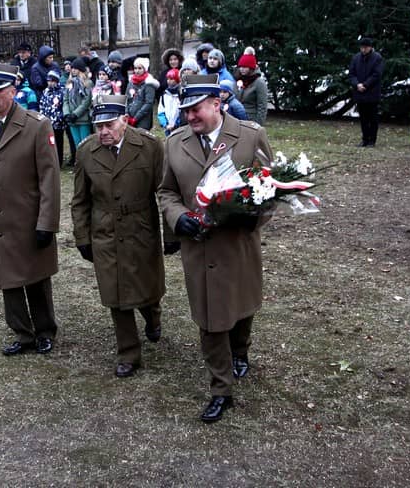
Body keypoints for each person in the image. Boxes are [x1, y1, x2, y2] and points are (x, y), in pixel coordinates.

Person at [157, 73, 273, 423]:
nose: (189, 116)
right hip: (200, 248)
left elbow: (268, 189)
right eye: (185, 110)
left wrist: (250, 215)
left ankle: (241, 350)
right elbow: (166, 192)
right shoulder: (175, 143)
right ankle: (221, 389)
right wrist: (178, 218)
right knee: (209, 319)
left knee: (241, 306)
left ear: (217, 104)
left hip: (238, 244)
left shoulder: (250, 136)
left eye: (196, 109)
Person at [70, 94, 168, 378]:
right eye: (98, 126)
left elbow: (166, 191)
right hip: (105, 231)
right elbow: (80, 200)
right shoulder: (86, 151)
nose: (103, 132)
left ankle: (152, 314)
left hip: (141, 228)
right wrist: (82, 237)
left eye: (109, 125)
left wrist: (172, 233)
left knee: (147, 286)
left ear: (125, 120)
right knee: (114, 292)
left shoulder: (150, 146)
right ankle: (128, 352)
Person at [0, 63, 61, 356]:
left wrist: (47, 223)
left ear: (13, 91)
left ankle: (44, 330)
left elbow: (49, 178)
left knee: (35, 275)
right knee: (6, 277)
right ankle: (22, 333)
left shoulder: (36, 125)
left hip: (28, 216)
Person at [348, 37, 385, 147]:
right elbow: (351, 74)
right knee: (363, 118)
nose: (363, 49)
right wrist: (357, 84)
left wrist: (365, 84)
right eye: (362, 47)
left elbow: (376, 74)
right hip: (359, 93)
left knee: (372, 118)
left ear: (370, 47)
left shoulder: (377, 58)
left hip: (372, 92)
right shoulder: (356, 58)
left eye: (365, 47)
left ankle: (372, 140)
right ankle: (365, 139)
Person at [63, 57, 93, 153]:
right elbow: (65, 99)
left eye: (75, 68)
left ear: (81, 70)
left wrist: (75, 114)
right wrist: (67, 113)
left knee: (85, 145)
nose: (73, 70)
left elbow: (87, 101)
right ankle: (79, 161)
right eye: (72, 68)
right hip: (72, 120)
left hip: (83, 119)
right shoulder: (69, 83)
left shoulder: (87, 83)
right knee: (77, 146)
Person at [39, 70, 66, 163]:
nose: (50, 83)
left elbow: (64, 105)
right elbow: (42, 105)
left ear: (56, 81)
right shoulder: (45, 91)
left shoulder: (62, 91)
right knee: (50, 142)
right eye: (48, 81)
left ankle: (59, 161)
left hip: (58, 123)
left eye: (52, 81)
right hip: (47, 122)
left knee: (59, 142)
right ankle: (51, 160)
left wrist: (60, 117)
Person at [124, 57, 158, 130]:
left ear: (144, 69)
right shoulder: (131, 83)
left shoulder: (149, 83)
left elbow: (149, 103)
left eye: (140, 68)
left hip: (143, 120)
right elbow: (126, 99)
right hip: (129, 117)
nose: (137, 71)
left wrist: (136, 118)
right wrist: (126, 114)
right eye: (135, 68)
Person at [236, 51, 268, 126]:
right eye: (240, 67)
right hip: (238, 119)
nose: (242, 69)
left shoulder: (259, 82)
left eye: (245, 67)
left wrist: (258, 125)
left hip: (251, 120)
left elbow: (262, 106)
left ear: (251, 68)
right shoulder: (240, 80)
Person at [157, 68, 181, 135]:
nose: (169, 81)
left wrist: (176, 124)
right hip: (168, 128)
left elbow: (183, 112)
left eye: (171, 79)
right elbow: (161, 111)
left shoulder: (181, 94)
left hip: (179, 128)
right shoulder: (164, 95)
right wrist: (165, 124)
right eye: (168, 79)